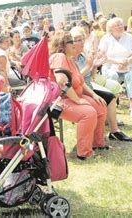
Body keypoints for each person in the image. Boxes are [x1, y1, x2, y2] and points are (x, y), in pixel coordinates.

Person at [49, 30, 108, 160]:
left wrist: (93, 95)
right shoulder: (59, 57)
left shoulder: (71, 61)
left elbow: (81, 82)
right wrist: (78, 100)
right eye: (71, 42)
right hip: (60, 102)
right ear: (62, 45)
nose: (74, 45)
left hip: (74, 98)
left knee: (100, 105)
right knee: (89, 112)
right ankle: (84, 153)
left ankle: (97, 143)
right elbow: (61, 81)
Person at [70, 27, 132, 141]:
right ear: (71, 42)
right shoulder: (70, 57)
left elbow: (92, 76)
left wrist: (95, 65)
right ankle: (102, 136)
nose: (82, 42)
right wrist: (89, 66)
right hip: (79, 90)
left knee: (110, 97)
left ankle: (114, 131)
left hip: (88, 86)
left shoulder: (83, 55)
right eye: (78, 39)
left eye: (82, 39)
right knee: (104, 100)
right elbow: (75, 79)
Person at [99, 17, 132, 117]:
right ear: (110, 28)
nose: (120, 26)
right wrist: (118, 62)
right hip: (110, 65)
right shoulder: (106, 38)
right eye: (117, 25)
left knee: (130, 76)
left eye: (121, 24)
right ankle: (112, 104)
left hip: (128, 65)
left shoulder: (129, 37)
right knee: (112, 75)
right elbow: (102, 56)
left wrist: (127, 61)